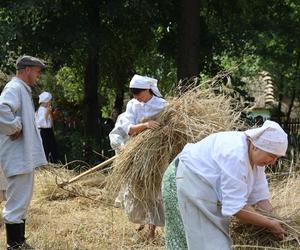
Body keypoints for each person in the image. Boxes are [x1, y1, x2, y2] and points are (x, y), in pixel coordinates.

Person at [162, 120, 288, 250]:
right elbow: (237, 209)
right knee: (209, 244)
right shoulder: (235, 155)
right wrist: (269, 224)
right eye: (272, 156)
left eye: (277, 158)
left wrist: (279, 221)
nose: (273, 162)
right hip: (182, 181)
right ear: (256, 146)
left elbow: (260, 198)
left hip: (199, 188)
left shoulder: (257, 161)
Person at [109, 74, 167, 239]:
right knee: (135, 188)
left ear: (148, 89)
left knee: (153, 189)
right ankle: (140, 219)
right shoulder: (132, 105)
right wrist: (146, 125)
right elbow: (130, 129)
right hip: (135, 154)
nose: (135, 96)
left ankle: (152, 230)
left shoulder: (163, 105)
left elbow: (168, 129)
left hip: (155, 155)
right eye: (133, 93)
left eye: (138, 92)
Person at [0, 55, 48, 249]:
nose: (37, 76)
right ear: (27, 69)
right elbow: (1, 110)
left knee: (22, 200)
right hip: (17, 155)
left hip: (22, 156)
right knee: (17, 201)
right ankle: (14, 245)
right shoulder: (14, 88)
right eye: (37, 71)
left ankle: (19, 241)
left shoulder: (21, 89)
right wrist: (14, 127)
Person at [36, 91, 59, 163]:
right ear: (46, 101)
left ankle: (54, 163)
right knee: (46, 148)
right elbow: (41, 122)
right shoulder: (41, 110)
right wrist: (47, 113)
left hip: (48, 131)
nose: (50, 102)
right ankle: (48, 163)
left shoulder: (46, 109)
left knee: (53, 148)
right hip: (44, 131)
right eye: (50, 100)